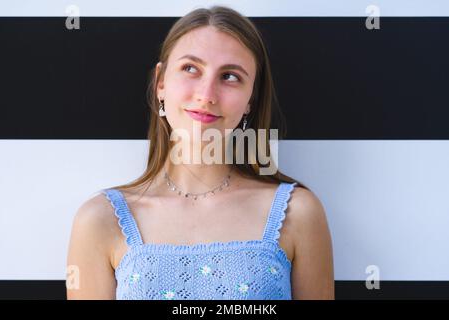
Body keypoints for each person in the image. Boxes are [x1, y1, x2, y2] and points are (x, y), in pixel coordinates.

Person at [66, 5, 334, 300]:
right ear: (161, 83)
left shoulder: (299, 214)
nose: (206, 95)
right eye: (191, 68)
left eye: (230, 76)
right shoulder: (100, 220)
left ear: (250, 100)